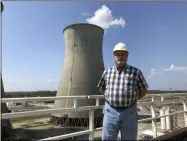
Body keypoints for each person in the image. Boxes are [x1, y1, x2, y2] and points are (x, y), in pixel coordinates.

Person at [97, 42, 149, 140]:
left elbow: (144, 90)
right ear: (114, 56)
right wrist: (110, 98)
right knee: (108, 138)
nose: (120, 57)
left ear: (127, 56)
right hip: (110, 112)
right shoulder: (107, 72)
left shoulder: (136, 72)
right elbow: (102, 88)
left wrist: (133, 100)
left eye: (123, 54)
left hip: (129, 113)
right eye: (118, 54)